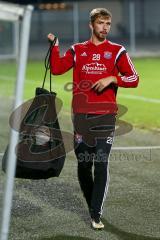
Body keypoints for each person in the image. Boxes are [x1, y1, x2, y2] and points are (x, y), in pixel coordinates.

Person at [47, 8, 139, 230]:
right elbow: (57, 69)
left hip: (106, 115)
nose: (105, 27)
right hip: (81, 116)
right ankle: (92, 206)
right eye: (101, 23)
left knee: (101, 161)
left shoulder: (117, 51)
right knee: (84, 163)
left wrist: (112, 78)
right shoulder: (78, 50)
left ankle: (96, 212)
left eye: (108, 23)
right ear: (91, 25)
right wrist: (55, 46)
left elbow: (134, 78)